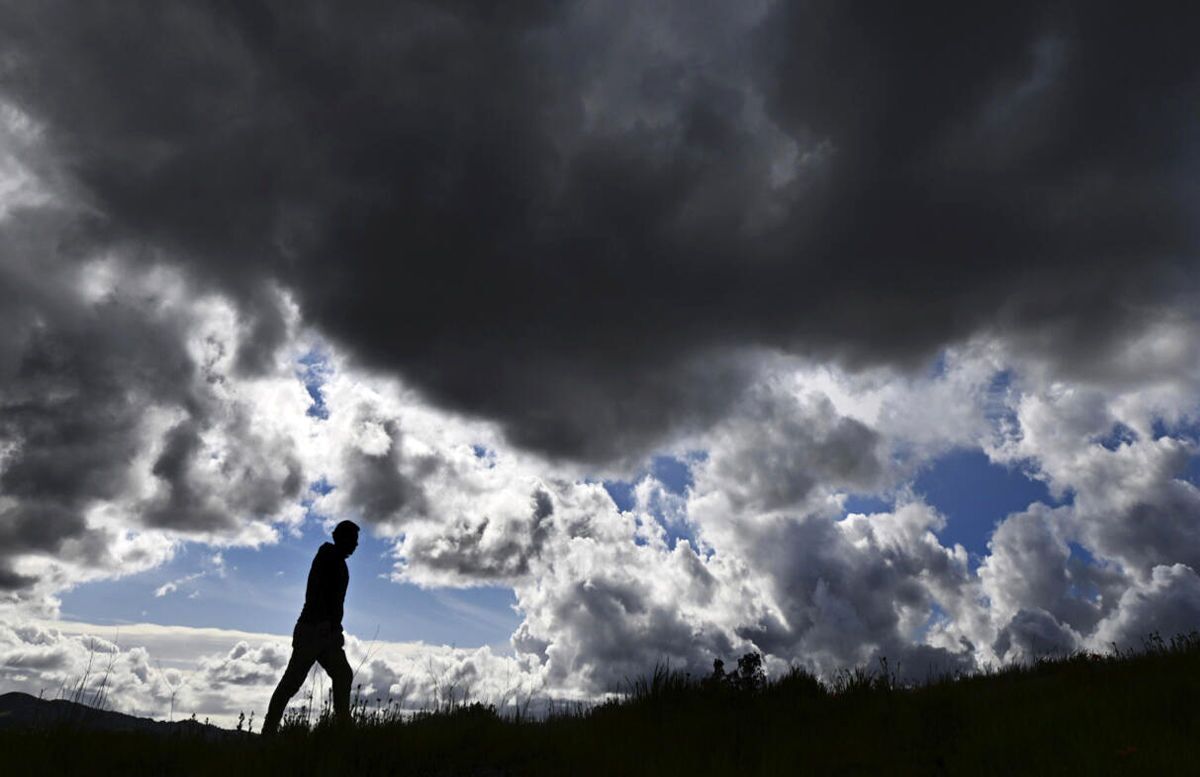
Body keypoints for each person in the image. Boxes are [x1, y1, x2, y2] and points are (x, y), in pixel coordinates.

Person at [261, 520, 360, 735]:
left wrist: (335, 629)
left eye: (356, 540)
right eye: (352, 539)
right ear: (341, 538)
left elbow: (334, 603)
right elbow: (316, 593)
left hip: (324, 632)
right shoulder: (328, 556)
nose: (356, 544)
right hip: (313, 630)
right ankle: (268, 731)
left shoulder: (336, 561)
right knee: (291, 683)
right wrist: (327, 625)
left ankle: (342, 727)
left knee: (342, 674)